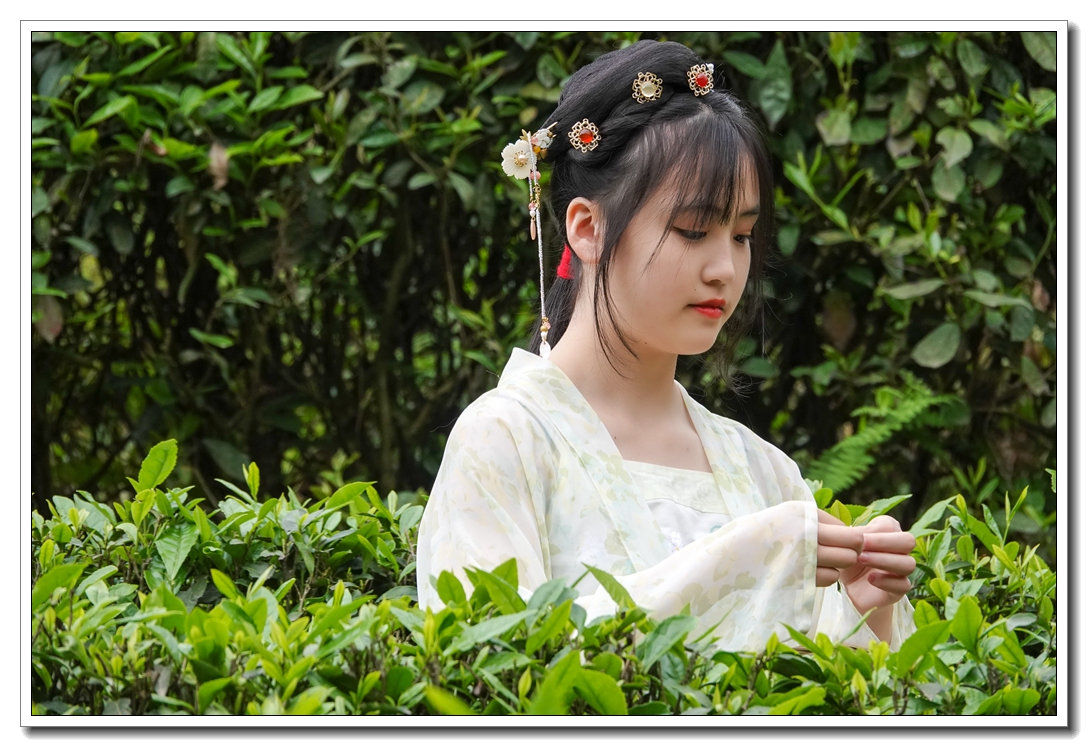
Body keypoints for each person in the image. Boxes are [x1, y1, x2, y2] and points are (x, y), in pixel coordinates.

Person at [416, 39, 917, 652]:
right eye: (693, 230)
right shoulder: (506, 441)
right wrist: (743, 557)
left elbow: (833, 692)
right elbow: (488, 663)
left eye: (741, 236)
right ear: (588, 229)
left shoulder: (765, 471)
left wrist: (865, 611)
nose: (725, 270)